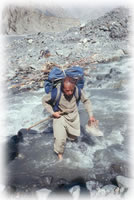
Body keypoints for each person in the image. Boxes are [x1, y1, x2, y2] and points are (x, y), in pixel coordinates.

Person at [42, 76, 96, 160]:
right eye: (67, 90)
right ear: (62, 88)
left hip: (73, 115)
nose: (70, 92)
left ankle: (68, 137)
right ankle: (60, 156)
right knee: (60, 139)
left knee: (73, 137)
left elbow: (86, 101)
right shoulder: (56, 92)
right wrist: (53, 113)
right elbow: (44, 100)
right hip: (60, 116)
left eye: (72, 90)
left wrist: (91, 116)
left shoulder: (77, 91)